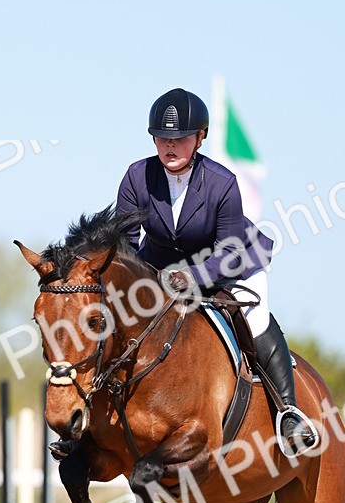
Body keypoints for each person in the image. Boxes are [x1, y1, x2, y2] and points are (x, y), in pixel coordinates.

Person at [116, 87, 319, 457]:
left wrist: (192, 278)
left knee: (254, 320)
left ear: (200, 138)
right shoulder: (137, 176)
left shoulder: (221, 181)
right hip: (161, 267)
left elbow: (228, 250)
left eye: (179, 139)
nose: (170, 146)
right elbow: (125, 244)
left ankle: (289, 413)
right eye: (162, 138)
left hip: (231, 264)